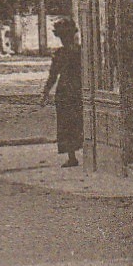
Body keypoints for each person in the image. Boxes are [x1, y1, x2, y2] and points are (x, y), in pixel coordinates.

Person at [39, 19, 83, 168]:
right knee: (73, 123)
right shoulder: (80, 52)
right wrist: (45, 92)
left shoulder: (62, 54)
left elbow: (53, 76)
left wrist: (45, 93)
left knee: (67, 124)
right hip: (76, 91)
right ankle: (75, 155)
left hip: (66, 92)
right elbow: (53, 75)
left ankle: (72, 156)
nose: (65, 40)